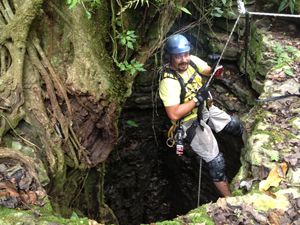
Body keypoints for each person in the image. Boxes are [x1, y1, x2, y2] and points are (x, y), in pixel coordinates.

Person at [159, 34, 243, 197]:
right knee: (216, 162)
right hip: (189, 122)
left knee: (236, 126)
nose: (183, 59)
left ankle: (246, 158)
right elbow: (174, 114)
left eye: (186, 54)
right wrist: (197, 100)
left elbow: (213, 73)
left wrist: (216, 65)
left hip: (204, 108)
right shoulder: (168, 82)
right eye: (178, 56)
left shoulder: (192, 61)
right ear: (170, 57)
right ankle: (230, 199)